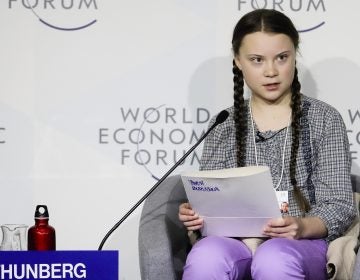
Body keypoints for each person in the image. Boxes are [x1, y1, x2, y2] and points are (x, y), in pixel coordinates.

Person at [178, 9, 357, 280]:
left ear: (294, 55)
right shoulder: (224, 123)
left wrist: (301, 226)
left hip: (300, 243)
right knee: (206, 256)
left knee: (273, 258)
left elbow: (340, 205)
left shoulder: (324, 119)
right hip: (236, 241)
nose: (271, 71)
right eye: (257, 60)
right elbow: (213, 198)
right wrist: (197, 212)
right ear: (238, 61)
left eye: (282, 58)